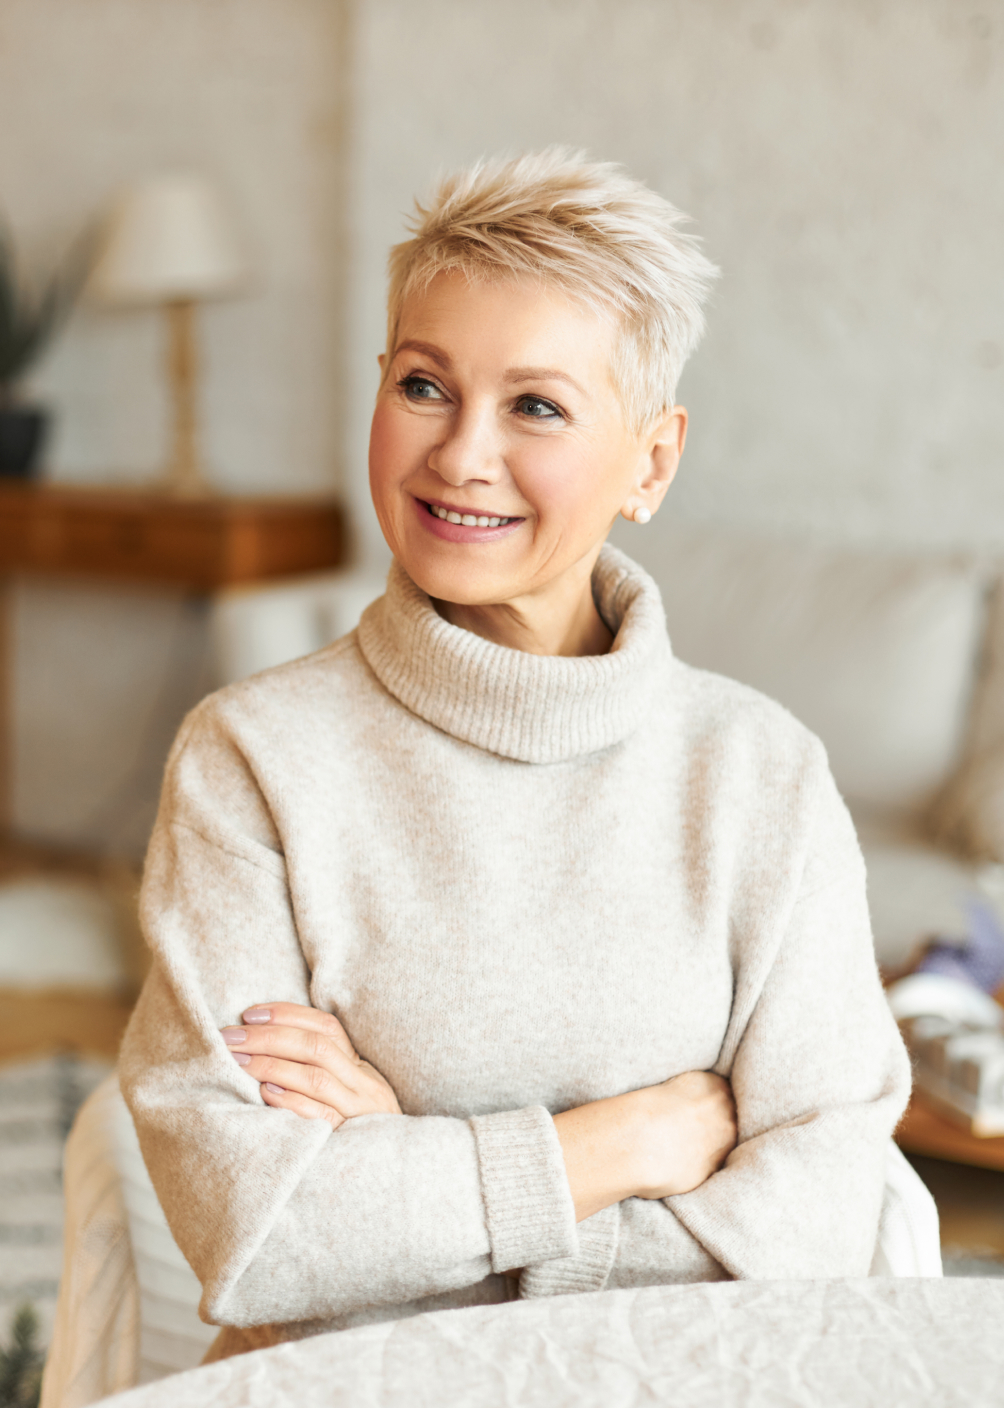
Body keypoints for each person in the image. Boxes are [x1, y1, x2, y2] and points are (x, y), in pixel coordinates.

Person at [119, 149, 910, 1360]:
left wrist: (407, 1175)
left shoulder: (760, 776)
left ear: (651, 461)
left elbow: (816, 1224)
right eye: (423, 385)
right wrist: (624, 1144)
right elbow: (258, 1231)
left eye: (534, 405)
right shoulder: (251, 761)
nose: (459, 455)